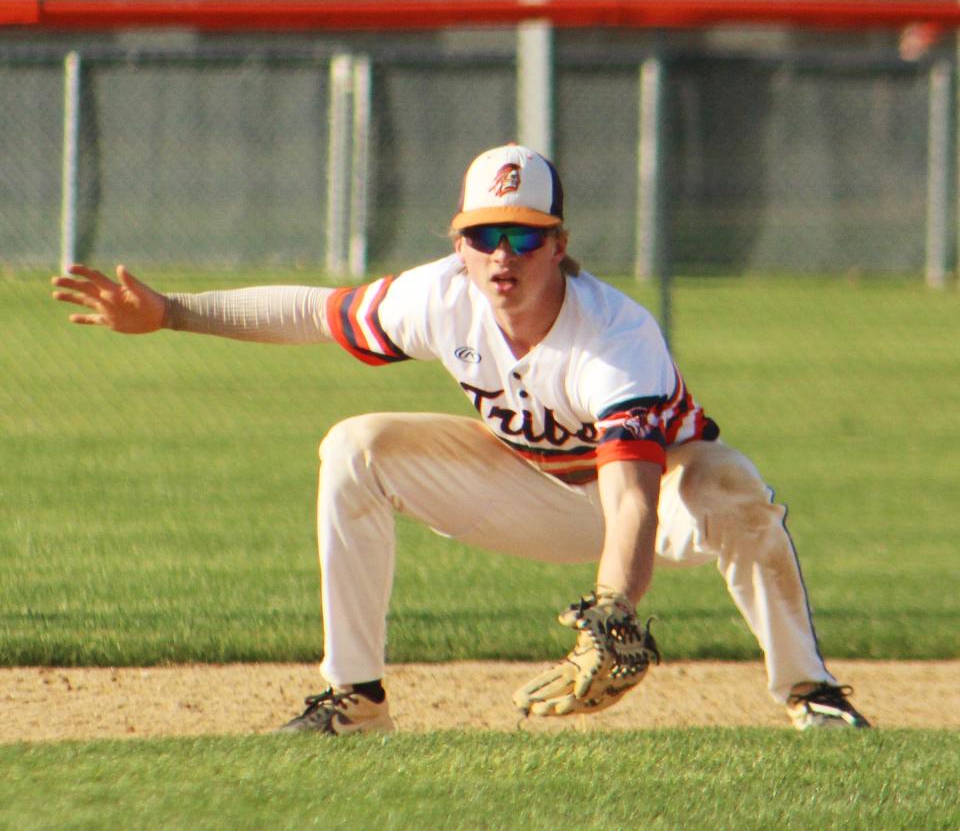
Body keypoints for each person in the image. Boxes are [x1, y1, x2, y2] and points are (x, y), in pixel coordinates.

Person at [51, 143, 870, 734]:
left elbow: (629, 500)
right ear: (460, 244)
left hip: (657, 506)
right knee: (355, 447)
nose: (501, 254)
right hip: (528, 491)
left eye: (522, 236)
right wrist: (173, 314)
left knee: (733, 488)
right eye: (484, 235)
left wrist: (615, 610)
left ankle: (812, 693)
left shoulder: (614, 336)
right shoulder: (439, 297)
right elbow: (312, 311)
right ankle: (355, 698)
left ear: (559, 244)